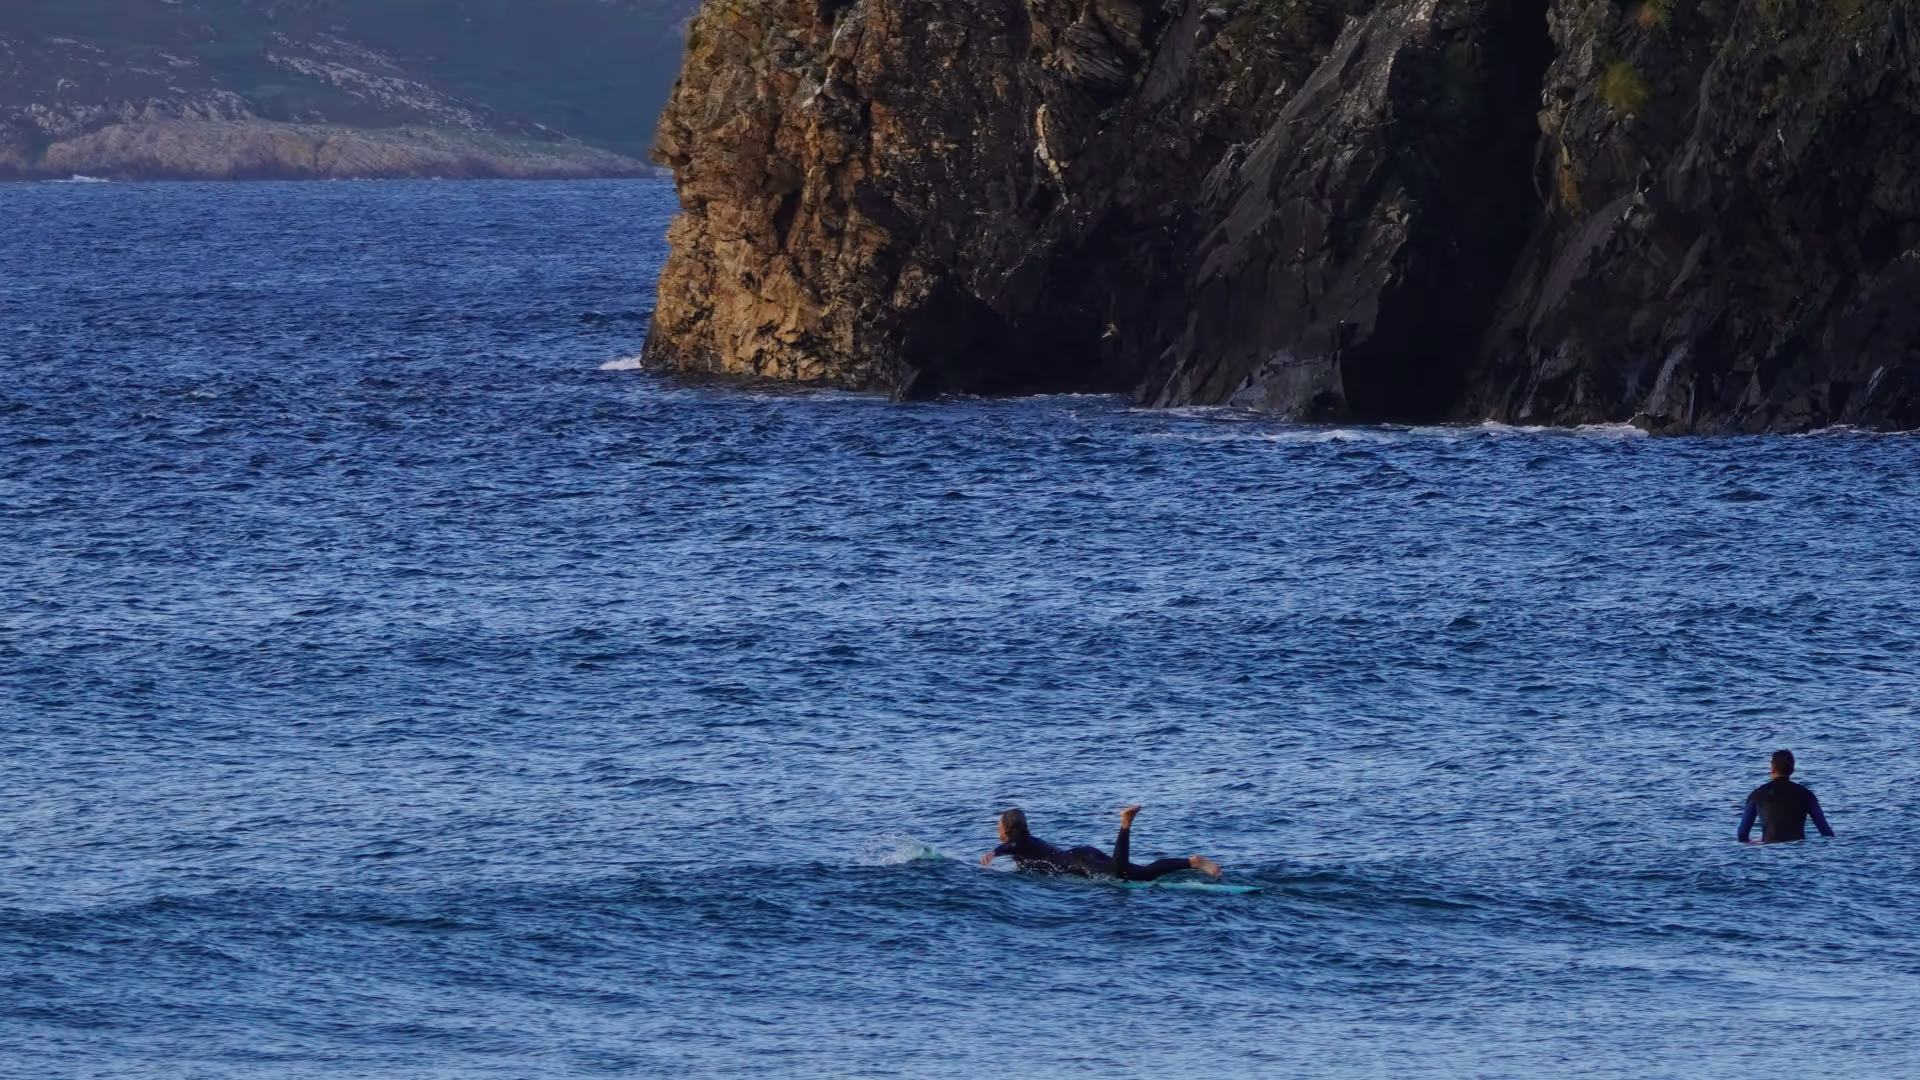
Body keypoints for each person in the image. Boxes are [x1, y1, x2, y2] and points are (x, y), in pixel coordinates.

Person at [978, 804, 1222, 880]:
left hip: (1079, 861)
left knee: (1119, 873)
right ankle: (1192, 862)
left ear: (1007, 829)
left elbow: (1010, 846)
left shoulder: (1018, 842)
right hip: (1082, 853)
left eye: (999, 826)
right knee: (1141, 873)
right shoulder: (1026, 840)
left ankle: (1125, 824)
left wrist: (994, 852)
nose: (997, 831)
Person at [1738, 749, 1835, 844]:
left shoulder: (1757, 795)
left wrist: (1755, 842)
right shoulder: (1806, 794)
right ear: (1792, 770)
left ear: (1772, 768)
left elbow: (1742, 835)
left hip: (1769, 852)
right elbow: (1827, 833)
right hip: (1799, 852)